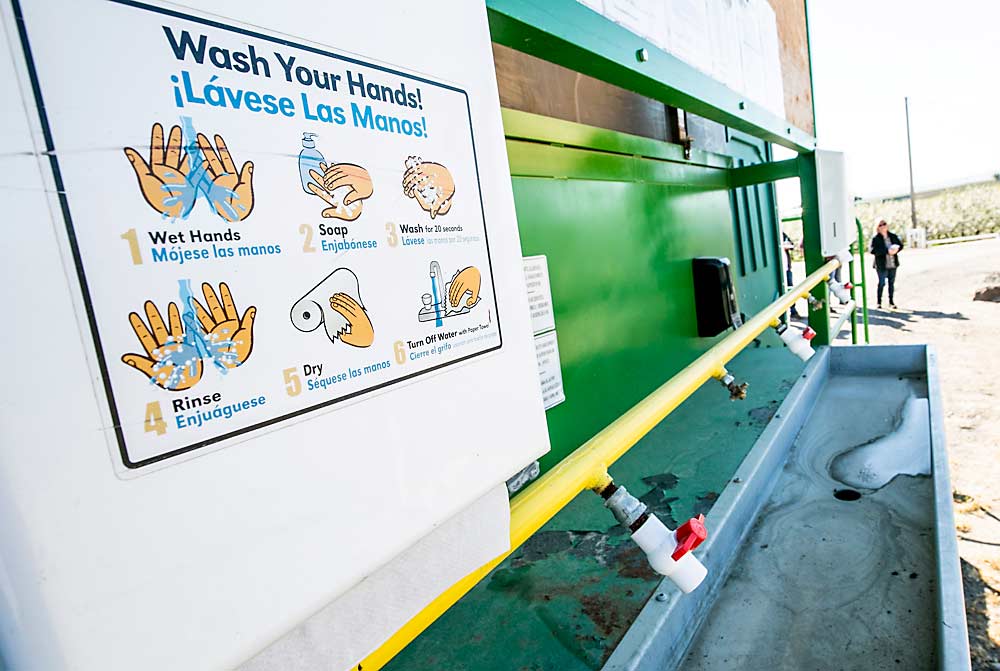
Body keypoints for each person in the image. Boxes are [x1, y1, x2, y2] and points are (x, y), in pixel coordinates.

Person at [870, 219, 903, 309]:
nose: (883, 226)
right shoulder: (875, 239)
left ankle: (891, 302)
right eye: (880, 225)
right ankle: (879, 302)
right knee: (881, 283)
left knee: (891, 283)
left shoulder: (892, 236)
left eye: (884, 224)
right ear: (877, 227)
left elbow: (900, 245)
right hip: (881, 264)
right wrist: (886, 251)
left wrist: (896, 250)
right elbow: (872, 250)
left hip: (892, 263)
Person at [781, 232, 801, 318]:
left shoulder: (782, 233)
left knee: (790, 289)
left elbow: (791, 245)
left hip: (786, 268)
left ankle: (793, 311)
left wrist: (786, 245)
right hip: (780, 268)